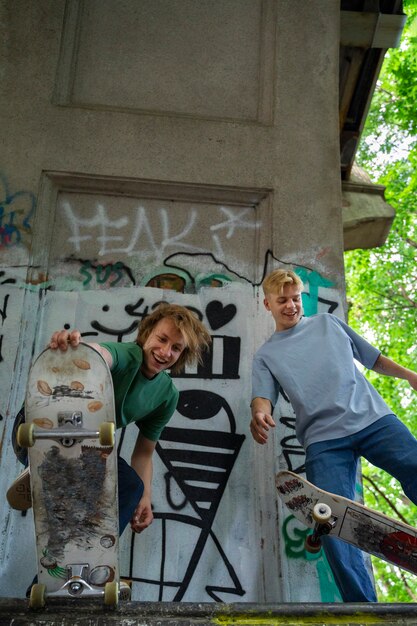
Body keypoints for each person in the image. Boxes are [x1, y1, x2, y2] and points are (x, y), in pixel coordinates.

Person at [250, 268, 417, 603]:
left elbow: (373, 359)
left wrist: (409, 375)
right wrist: (259, 412)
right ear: (267, 304)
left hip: (372, 419)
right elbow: (263, 396)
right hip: (324, 442)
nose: (291, 306)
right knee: (331, 522)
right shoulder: (266, 356)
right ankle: (364, 610)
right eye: (282, 300)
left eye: (295, 298)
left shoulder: (329, 324)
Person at [9, 303, 211, 539]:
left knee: (130, 486)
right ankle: (46, 465)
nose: (165, 352)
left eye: (176, 348)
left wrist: (144, 497)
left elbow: (144, 453)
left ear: (182, 355)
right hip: (34, 429)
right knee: (82, 428)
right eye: (162, 339)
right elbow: (101, 355)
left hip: (84, 447)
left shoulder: (167, 396)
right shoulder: (128, 355)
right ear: (147, 334)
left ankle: (93, 554)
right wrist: (76, 349)